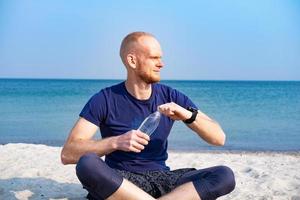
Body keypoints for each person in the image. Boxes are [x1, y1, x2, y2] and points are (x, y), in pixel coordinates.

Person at [61, 32, 235, 200]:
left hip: (163, 178)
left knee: (224, 175)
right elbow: (68, 153)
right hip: (122, 181)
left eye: (161, 58)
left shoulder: (171, 97)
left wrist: (188, 115)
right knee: (87, 164)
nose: (161, 64)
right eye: (154, 58)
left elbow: (219, 138)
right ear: (132, 61)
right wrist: (116, 142)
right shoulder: (105, 99)